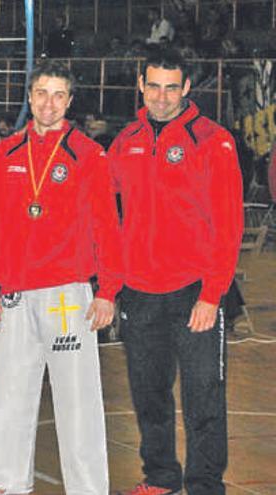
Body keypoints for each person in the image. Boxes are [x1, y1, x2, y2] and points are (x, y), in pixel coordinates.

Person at [0, 61, 122, 495]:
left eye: (59, 95)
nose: (49, 103)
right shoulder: (4, 153)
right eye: (42, 92)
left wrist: (108, 290)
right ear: (30, 96)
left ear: (70, 101)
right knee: (9, 391)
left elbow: (106, 227)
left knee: (77, 399)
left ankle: (88, 487)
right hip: (17, 293)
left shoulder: (89, 154)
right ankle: (4, 480)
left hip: (68, 295)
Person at [109, 48, 243, 495]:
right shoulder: (125, 138)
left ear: (187, 88)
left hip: (194, 292)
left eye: (172, 87)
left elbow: (229, 224)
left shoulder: (213, 139)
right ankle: (161, 476)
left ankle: (205, 484)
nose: (162, 97)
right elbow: (98, 203)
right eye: (154, 86)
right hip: (140, 292)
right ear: (140, 86)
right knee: (150, 395)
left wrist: (212, 294)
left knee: (203, 395)